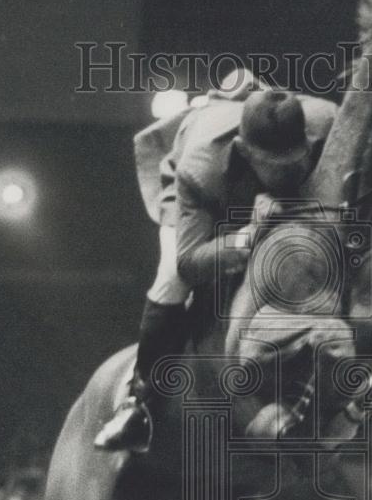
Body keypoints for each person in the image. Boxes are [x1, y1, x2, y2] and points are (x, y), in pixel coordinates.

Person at [94, 82, 336, 452]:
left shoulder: (326, 121)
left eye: (294, 162)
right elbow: (190, 262)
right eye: (276, 167)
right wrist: (250, 236)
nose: (287, 175)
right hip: (201, 200)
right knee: (170, 278)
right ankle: (138, 403)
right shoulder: (200, 168)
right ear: (244, 151)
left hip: (257, 179)